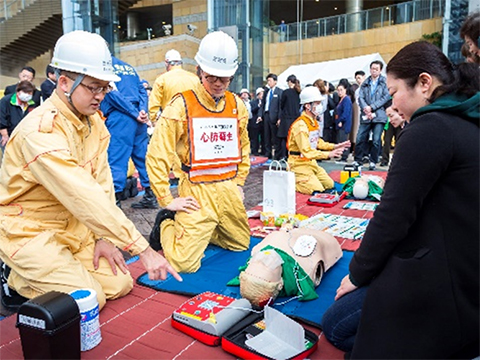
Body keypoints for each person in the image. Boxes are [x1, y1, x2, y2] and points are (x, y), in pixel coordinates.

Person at [0, 31, 181, 311]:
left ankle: (52, 273)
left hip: (72, 228)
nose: (101, 96)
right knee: (90, 299)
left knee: (120, 283)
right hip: (30, 231)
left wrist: (104, 238)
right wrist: (141, 249)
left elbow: (102, 184)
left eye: (105, 88)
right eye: (94, 87)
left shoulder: (94, 122)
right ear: (64, 83)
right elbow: (82, 193)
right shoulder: (39, 132)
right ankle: (15, 279)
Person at [323, 41, 479, 358]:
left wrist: (357, 274)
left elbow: (392, 217)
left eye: (393, 93)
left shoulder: (430, 128)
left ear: (424, 83)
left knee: (336, 325)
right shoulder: (467, 117)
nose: (391, 105)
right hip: (467, 271)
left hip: (443, 284)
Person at [146, 31, 251, 273]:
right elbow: (157, 153)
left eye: (224, 79)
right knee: (184, 264)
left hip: (228, 189)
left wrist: (239, 183)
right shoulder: (181, 105)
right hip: (196, 190)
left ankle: (208, 228)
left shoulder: (237, 105)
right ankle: (167, 225)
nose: (217, 84)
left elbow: (244, 147)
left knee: (240, 244)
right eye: (211, 77)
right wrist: (167, 200)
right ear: (199, 70)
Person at [100, 56, 158, 209]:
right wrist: (142, 111)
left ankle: (116, 202)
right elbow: (142, 89)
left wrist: (133, 113)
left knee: (117, 159)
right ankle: (151, 195)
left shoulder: (103, 65)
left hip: (121, 117)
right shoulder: (128, 67)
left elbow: (111, 92)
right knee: (142, 157)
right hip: (138, 118)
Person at [148, 49, 200, 185]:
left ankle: (178, 175)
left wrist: (154, 119)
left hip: (171, 118)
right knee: (189, 146)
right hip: (193, 117)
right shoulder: (193, 78)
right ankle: (189, 171)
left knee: (172, 147)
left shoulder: (162, 79)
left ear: (167, 62)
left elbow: (154, 103)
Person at [287, 86, 349, 195]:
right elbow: (307, 151)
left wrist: (335, 146)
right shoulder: (300, 125)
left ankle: (308, 178)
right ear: (307, 106)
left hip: (311, 162)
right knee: (317, 190)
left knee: (329, 184)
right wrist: (329, 154)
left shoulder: (312, 121)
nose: (320, 106)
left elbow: (318, 142)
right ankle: (292, 181)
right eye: (317, 103)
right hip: (298, 164)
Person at [355, 61, 390, 170]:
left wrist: (372, 107)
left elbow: (385, 97)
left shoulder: (384, 82)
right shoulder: (365, 83)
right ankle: (358, 160)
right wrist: (366, 108)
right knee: (360, 137)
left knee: (376, 139)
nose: (374, 70)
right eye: (372, 68)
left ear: (380, 70)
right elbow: (360, 98)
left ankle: (373, 160)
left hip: (379, 115)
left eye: (376, 69)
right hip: (366, 114)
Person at [0, 81, 37, 149]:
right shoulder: (6, 101)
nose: (27, 95)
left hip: (24, 136)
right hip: (8, 134)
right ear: (18, 92)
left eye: (29, 93)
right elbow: (1, 120)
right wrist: (5, 135)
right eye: (25, 92)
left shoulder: (32, 103)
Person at [259, 73, 283, 159]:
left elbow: (281, 106)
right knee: (266, 135)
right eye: (267, 81)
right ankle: (267, 153)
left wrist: (280, 118)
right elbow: (262, 104)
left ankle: (277, 154)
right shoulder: (266, 92)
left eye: (270, 80)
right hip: (266, 115)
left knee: (275, 136)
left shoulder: (280, 92)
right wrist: (260, 115)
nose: (268, 83)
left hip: (275, 116)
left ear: (275, 81)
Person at [278, 74, 301, 160]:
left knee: (284, 138)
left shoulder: (286, 92)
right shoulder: (299, 92)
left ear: (290, 82)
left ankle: (284, 155)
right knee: (294, 138)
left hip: (286, 118)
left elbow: (282, 105)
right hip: (296, 118)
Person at [335, 83, 352, 162]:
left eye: (341, 90)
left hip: (344, 123)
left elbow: (346, 112)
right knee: (341, 139)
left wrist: (341, 120)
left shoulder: (346, 99)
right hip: (340, 122)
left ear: (345, 90)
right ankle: (342, 155)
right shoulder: (341, 99)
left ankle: (345, 156)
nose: (339, 92)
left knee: (344, 139)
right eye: (338, 90)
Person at [249, 87, 264, 155]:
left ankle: (264, 150)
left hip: (263, 123)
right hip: (255, 122)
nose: (262, 95)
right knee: (255, 137)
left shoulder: (266, 102)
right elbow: (252, 110)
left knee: (264, 137)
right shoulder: (253, 102)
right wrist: (258, 106)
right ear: (258, 95)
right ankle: (255, 150)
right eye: (261, 94)